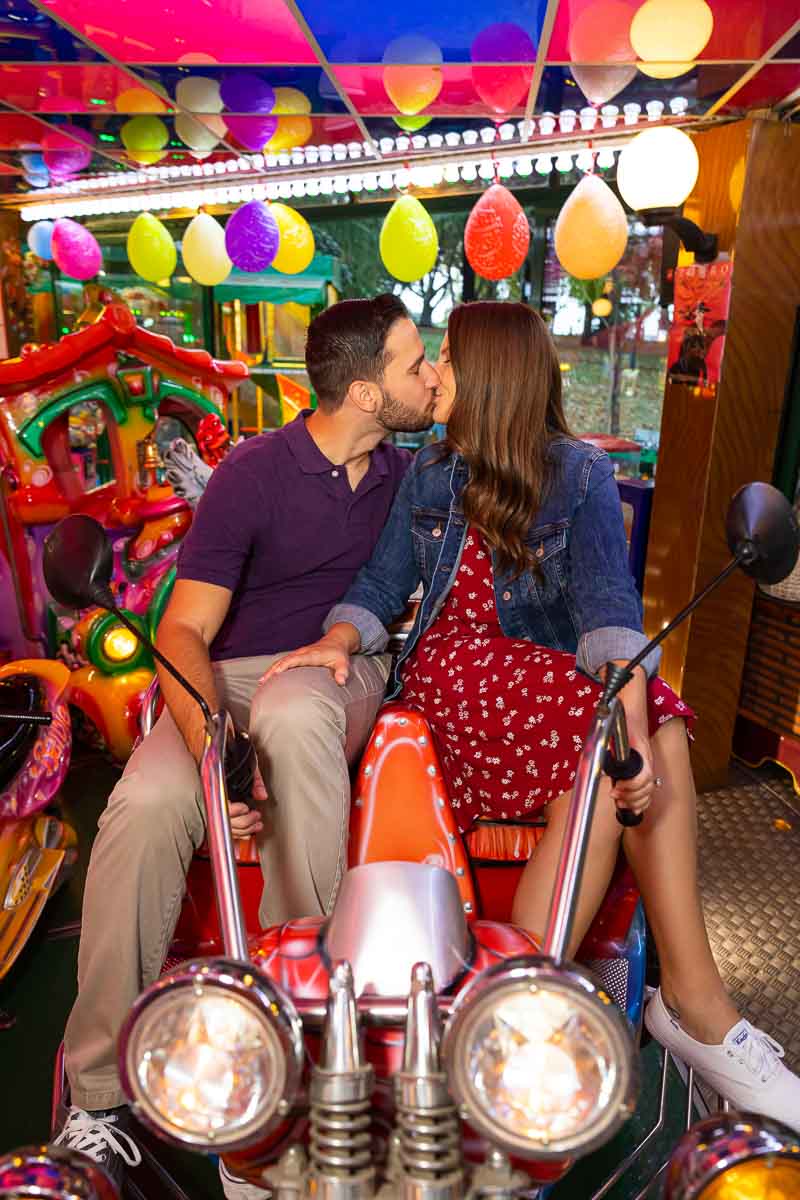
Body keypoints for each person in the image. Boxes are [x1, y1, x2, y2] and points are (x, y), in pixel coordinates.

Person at [267, 300, 800, 1132]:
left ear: (492, 373)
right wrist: (338, 640)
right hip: (452, 681)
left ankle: (528, 1003)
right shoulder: (429, 471)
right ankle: (682, 1009)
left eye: (445, 355)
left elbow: (608, 613)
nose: (434, 371)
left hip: (547, 692)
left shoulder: (577, 473)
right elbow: (379, 585)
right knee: (638, 723)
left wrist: (628, 729)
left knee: (637, 723)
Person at [54, 294, 440, 1189]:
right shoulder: (254, 473)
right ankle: (99, 1094)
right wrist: (207, 745)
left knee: (296, 711)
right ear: (367, 392)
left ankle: (296, 1040)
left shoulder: (413, 476)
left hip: (338, 667)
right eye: (414, 362)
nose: (429, 376)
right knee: (143, 807)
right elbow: (184, 633)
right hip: (224, 674)